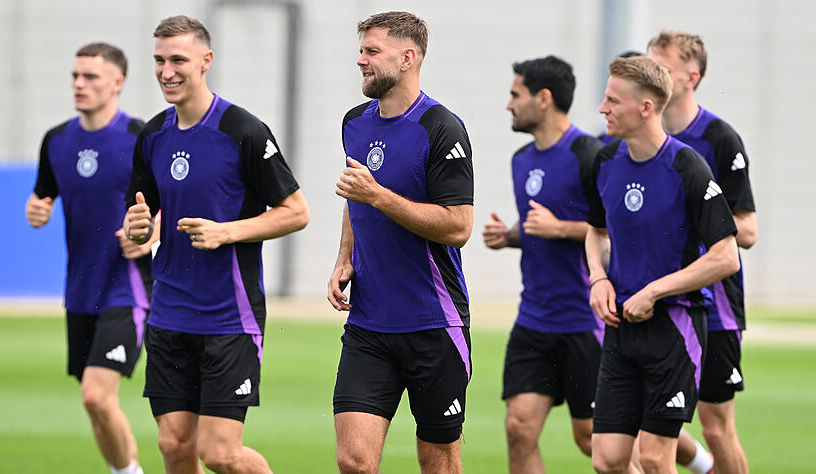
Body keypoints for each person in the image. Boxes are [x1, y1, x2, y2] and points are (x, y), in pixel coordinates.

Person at [123, 16, 309, 474]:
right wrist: (138, 228)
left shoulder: (243, 130)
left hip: (229, 315)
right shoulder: (152, 135)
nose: (167, 71)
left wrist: (226, 231)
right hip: (168, 311)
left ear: (206, 60)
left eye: (178, 60)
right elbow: (141, 223)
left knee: (221, 453)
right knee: (173, 444)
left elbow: (296, 212)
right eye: (159, 60)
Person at [326, 11, 474, 474]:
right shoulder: (354, 123)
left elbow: (458, 226)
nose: (360, 60)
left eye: (372, 51)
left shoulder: (441, 128)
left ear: (407, 58)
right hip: (369, 323)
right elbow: (356, 196)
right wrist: (345, 257)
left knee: (437, 461)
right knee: (354, 462)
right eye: (361, 50)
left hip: (434, 323)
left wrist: (380, 196)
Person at [586, 56, 740, 474]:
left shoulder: (687, 166)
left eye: (613, 101)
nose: (602, 108)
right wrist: (598, 278)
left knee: (656, 459)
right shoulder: (605, 161)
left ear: (646, 107)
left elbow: (726, 256)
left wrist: (655, 291)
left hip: (675, 326)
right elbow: (595, 231)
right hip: (621, 328)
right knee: (608, 459)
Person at [25, 42, 152, 474]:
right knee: (96, 404)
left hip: (128, 286)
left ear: (117, 82)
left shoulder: (140, 137)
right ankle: (127, 470)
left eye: (90, 76)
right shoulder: (56, 140)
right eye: (75, 76)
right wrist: (36, 209)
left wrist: (151, 234)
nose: (79, 84)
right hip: (80, 290)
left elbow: (171, 201)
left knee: (96, 396)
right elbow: (43, 196)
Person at [482, 56, 604, 473]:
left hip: (586, 321)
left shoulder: (590, 155)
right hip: (534, 319)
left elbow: (619, 235)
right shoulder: (521, 160)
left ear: (544, 98)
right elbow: (537, 223)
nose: (508, 104)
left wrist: (561, 228)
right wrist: (510, 236)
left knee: (593, 440)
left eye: (515, 95)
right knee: (519, 428)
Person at [647, 30, 757, 474]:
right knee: (642, 421)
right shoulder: (640, 138)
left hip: (715, 308)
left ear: (691, 77)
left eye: (663, 68)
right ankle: (702, 468)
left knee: (716, 426)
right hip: (655, 302)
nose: (652, 75)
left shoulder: (718, 138)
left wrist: (692, 219)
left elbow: (747, 230)